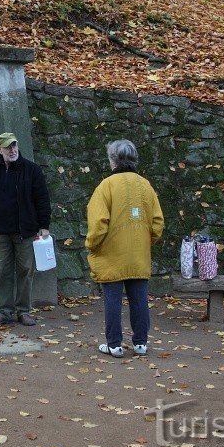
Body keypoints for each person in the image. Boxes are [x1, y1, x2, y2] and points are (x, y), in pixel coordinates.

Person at [85, 139, 164, 357]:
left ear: (113, 160)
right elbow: (157, 223)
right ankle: (140, 343)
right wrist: (146, 242)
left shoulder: (105, 187)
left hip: (112, 255)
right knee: (139, 300)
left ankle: (115, 345)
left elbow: (98, 224)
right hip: (139, 254)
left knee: (112, 300)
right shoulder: (145, 186)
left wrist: (91, 245)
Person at [0, 132, 51, 326]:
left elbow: (42, 198)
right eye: (8, 147)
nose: (12, 150)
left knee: (25, 270)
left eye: (14, 145)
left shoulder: (31, 169)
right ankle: (3, 313)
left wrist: (44, 225)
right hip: (0, 231)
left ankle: (23, 311)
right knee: (2, 272)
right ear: (0, 149)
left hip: (25, 231)